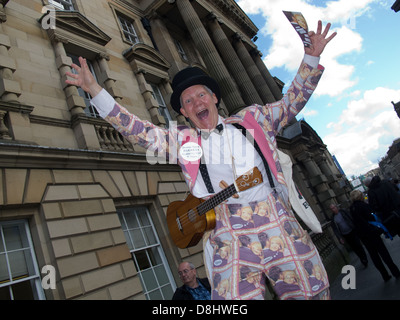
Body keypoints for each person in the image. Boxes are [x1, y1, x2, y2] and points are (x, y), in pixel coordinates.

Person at [65, 20, 336, 300]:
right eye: (189, 101)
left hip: (278, 220)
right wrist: (95, 91)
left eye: (201, 95)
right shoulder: (183, 142)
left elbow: (292, 101)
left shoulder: (254, 119)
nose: (197, 103)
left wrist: (311, 56)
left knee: (311, 293)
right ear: (183, 111)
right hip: (226, 233)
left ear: (214, 98)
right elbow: (139, 131)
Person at [349, 189, 400, 282]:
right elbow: (372, 217)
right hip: (372, 232)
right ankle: (395, 272)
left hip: (363, 236)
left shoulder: (351, 209)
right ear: (359, 196)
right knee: (384, 253)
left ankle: (385, 275)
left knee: (374, 256)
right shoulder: (363, 206)